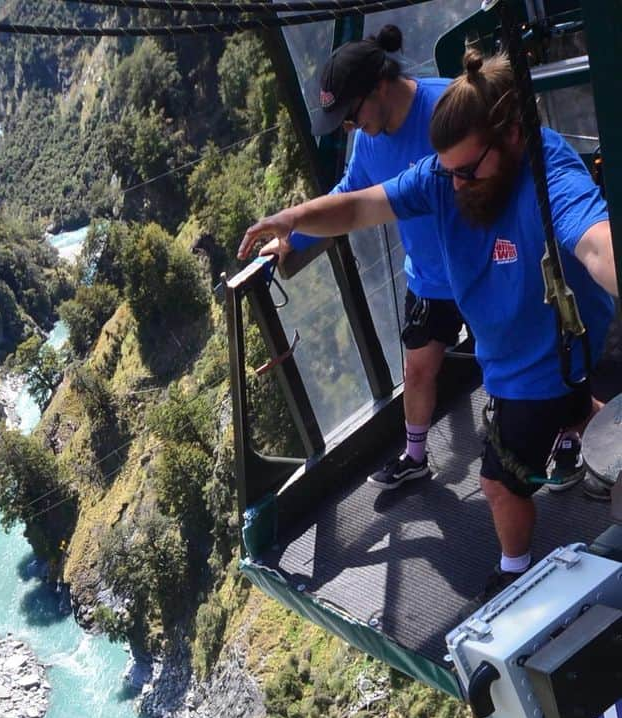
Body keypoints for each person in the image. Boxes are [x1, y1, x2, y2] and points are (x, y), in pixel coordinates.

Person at [238, 48, 618, 601]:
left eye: (469, 170)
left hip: (542, 358)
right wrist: (291, 222)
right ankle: (588, 439)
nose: (459, 185)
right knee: (573, 415)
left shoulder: (544, 170)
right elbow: (357, 207)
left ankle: (515, 573)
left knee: (496, 480)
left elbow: (595, 244)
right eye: (450, 172)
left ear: (510, 135)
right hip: (512, 348)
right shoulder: (441, 176)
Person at [269, 24, 465, 491]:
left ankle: (559, 432)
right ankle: (415, 454)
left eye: (351, 115)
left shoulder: (446, 107)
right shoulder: (370, 140)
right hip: (429, 277)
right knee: (417, 368)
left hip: (478, 265)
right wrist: (292, 238)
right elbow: (350, 192)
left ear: (379, 86)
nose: (352, 128)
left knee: (508, 359)